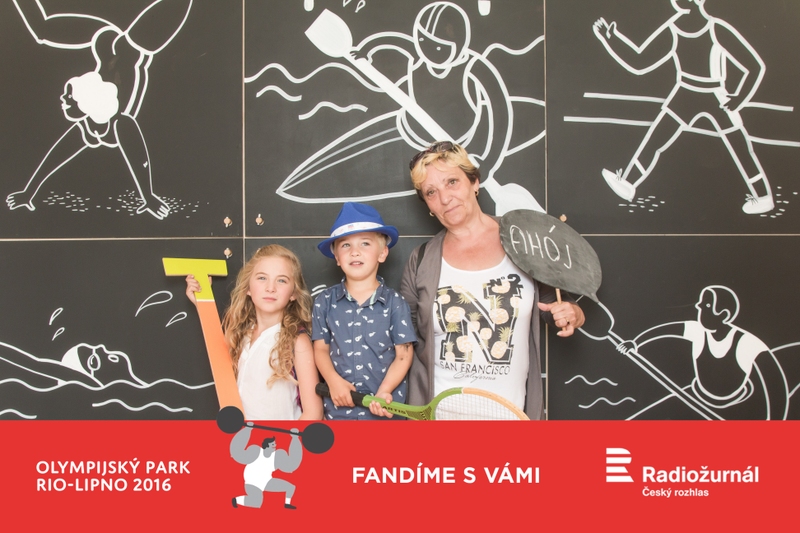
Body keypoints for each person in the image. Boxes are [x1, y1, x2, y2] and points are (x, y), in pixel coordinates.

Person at [400, 142, 585, 419]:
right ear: (427, 204)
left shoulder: (523, 241)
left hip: (509, 416)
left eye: (452, 182)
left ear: (475, 182)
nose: (445, 198)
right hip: (439, 418)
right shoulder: (421, 259)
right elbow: (403, 337)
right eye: (431, 192)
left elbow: (553, 304)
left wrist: (573, 314)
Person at [7, 0, 193, 219]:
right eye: (69, 96)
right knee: (130, 47)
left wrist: (28, 193)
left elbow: (56, 156)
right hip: (122, 48)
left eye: (68, 97)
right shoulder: (117, 124)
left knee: (43, 31)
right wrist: (148, 196)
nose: (63, 99)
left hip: (109, 44)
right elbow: (138, 158)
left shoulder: (95, 124)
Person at [593, 0, 773, 214]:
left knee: (740, 146)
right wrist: (611, 40)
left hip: (715, 94)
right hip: (686, 92)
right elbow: (640, 62)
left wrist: (739, 98)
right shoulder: (674, 30)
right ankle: (628, 183)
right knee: (656, 139)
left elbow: (753, 67)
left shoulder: (716, 29)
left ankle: (764, 197)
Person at [186, 245, 322, 420]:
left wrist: (289, 438)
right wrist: (202, 301)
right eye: (262, 278)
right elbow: (218, 359)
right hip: (242, 436)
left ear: (294, 293)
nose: (270, 288)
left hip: (280, 437)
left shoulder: (297, 342)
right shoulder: (241, 334)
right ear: (248, 288)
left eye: (281, 280)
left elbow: (313, 413)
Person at [618, 285, 788, 419]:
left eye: (706, 305)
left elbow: (775, 383)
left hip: (736, 405)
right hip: (696, 396)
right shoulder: (698, 330)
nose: (699, 308)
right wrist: (636, 342)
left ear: (724, 315)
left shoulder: (746, 343)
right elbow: (666, 330)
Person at [312, 202, 416, 420]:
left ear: (382, 253)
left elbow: (404, 355)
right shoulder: (324, 302)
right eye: (345, 245)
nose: (355, 252)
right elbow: (320, 349)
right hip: (339, 415)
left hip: (385, 415)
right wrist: (333, 381)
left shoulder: (395, 303)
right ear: (337, 257)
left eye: (365, 243)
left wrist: (385, 390)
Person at [230, 424, 302, 509]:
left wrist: (295, 438)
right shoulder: (256, 452)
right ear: (267, 445)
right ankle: (236, 500)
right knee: (256, 503)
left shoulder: (276, 457)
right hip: (253, 481)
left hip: (266, 481)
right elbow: (238, 452)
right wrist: (247, 430)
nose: (275, 445)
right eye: (273, 444)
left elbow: (292, 464)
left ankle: (287, 504)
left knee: (290, 487)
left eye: (275, 444)